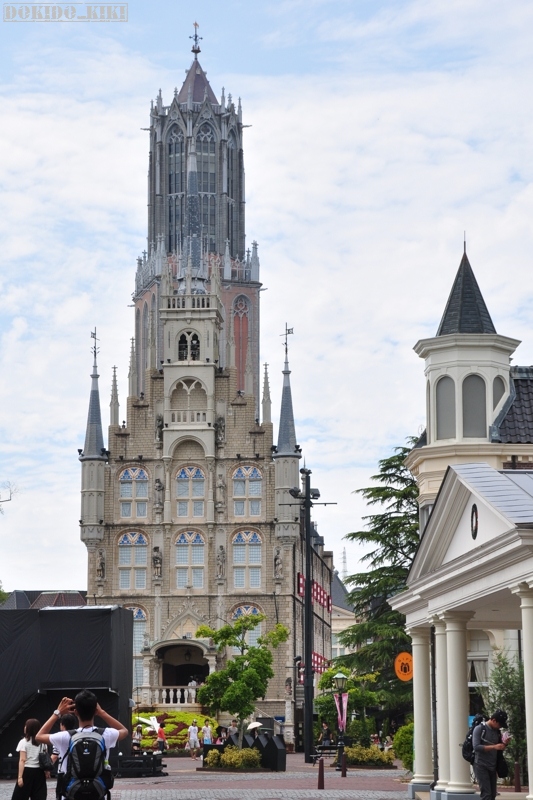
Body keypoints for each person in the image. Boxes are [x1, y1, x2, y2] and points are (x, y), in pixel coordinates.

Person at [36, 691, 128, 795]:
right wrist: (102, 712)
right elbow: (124, 731)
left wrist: (57, 713)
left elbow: (39, 736)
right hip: (97, 792)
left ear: (76, 712)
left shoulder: (66, 736)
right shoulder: (106, 734)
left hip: (72, 792)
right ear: (95, 711)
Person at [473, 709, 509, 800]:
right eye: (499, 724)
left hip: (492, 766)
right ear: (493, 720)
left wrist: (504, 744)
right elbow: (476, 747)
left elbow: (499, 748)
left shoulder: (497, 732)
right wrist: (494, 747)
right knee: (486, 794)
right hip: (480, 765)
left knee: (492, 794)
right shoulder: (480, 729)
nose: (500, 727)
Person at [12, 718, 48, 800]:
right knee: (38, 796)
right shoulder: (42, 742)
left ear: (29, 728)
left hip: (27, 771)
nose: (24, 727)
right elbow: (45, 758)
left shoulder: (23, 742)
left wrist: (20, 777)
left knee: (20, 796)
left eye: (26, 726)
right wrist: (46, 771)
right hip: (39, 772)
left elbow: (22, 760)